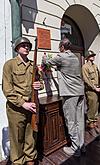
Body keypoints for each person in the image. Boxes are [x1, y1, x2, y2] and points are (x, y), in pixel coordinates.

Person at [2, 37, 44, 165]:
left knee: (30, 134)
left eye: (28, 45)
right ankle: (18, 161)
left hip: (31, 105)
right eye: (23, 45)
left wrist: (39, 85)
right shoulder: (10, 64)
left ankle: (30, 157)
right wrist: (23, 104)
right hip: (16, 108)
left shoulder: (33, 65)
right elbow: (7, 89)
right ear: (17, 48)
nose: (26, 47)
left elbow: (40, 81)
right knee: (17, 137)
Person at [42, 38, 85, 156]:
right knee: (80, 120)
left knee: (71, 121)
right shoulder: (74, 58)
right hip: (80, 92)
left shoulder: (61, 57)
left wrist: (44, 56)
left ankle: (75, 149)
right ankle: (82, 145)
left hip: (70, 94)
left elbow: (47, 61)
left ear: (62, 47)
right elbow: (65, 70)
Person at [82, 50, 100, 130]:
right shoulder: (85, 67)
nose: (93, 57)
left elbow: (98, 76)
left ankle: (95, 120)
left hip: (97, 88)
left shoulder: (95, 66)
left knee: (97, 105)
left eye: (94, 55)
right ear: (87, 57)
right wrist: (95, 88)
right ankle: (90, 122)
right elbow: (86, 80)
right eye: (92, 55)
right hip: (91, 90)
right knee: (92, 106)